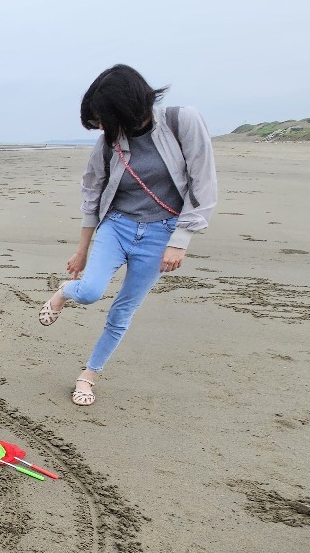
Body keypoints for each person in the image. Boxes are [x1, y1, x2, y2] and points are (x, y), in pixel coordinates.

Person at [37, 64, 217, 406]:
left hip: (161, 234)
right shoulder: (109, 143)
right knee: (89, 291)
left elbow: (203, 184)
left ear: (124, 108)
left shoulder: (182, 121)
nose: (102, 128)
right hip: (117, 226)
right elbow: (92, 194)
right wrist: (82, 251)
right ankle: (64, 292)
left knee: (123, 311)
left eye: (103, 120)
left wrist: (180, 241)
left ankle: (88, 375)